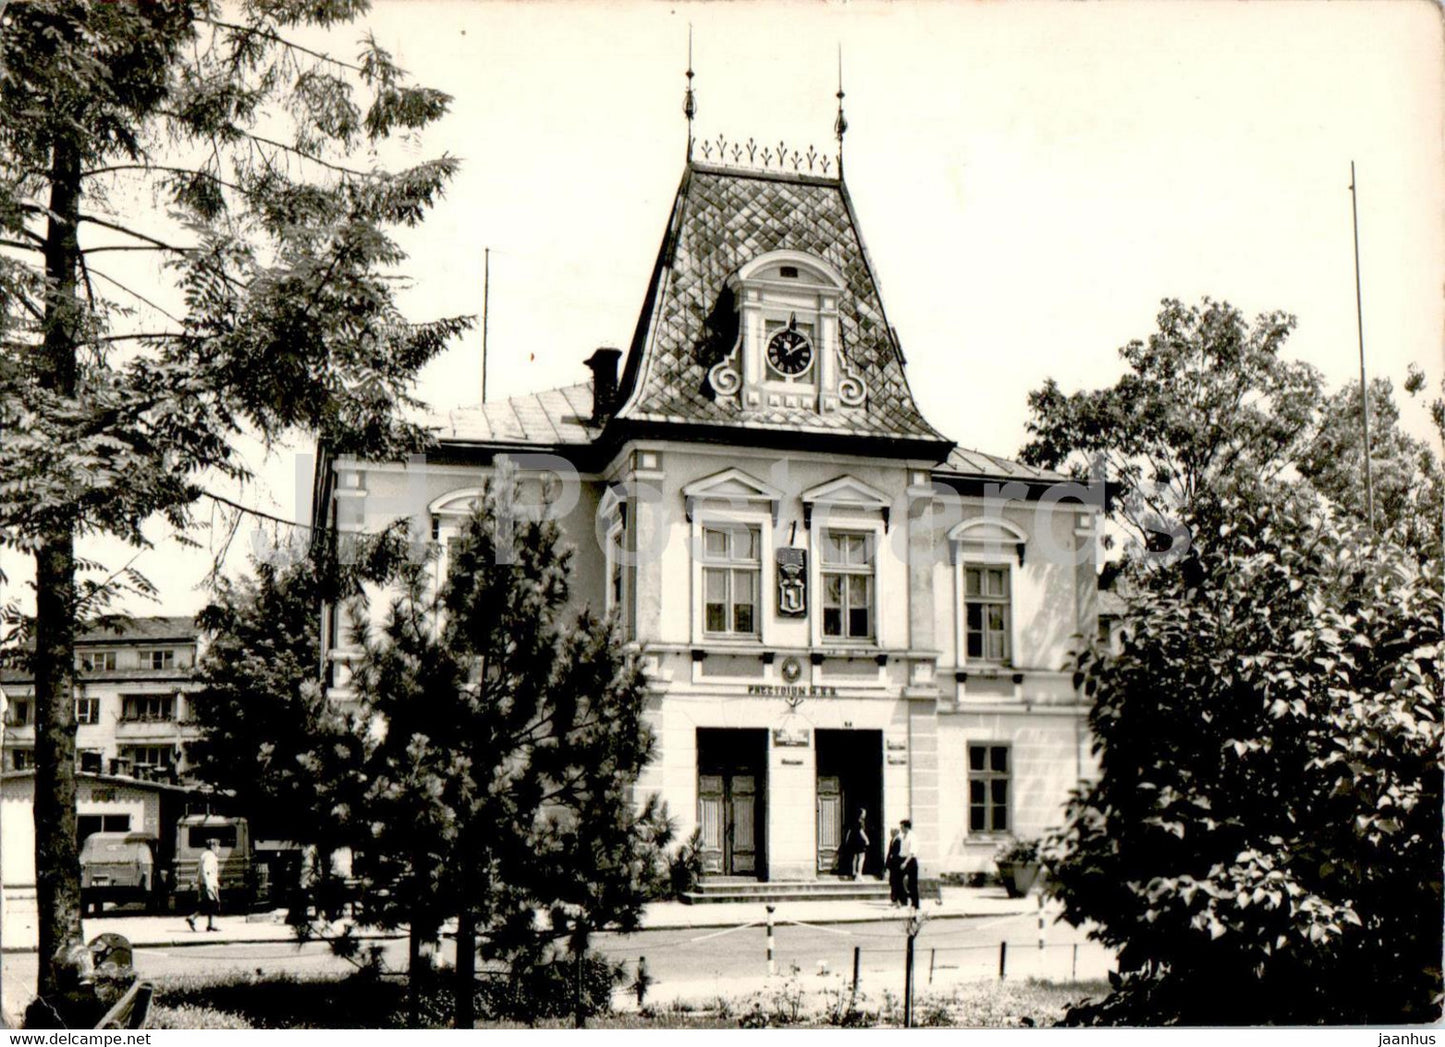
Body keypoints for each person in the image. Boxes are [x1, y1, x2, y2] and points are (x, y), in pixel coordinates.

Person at [186, 839, 221, 932]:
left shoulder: (204, 855)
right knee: (209, 904)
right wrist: (209, 886)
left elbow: (198, 869)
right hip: (209, 884)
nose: (219, 848)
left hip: (204, 883)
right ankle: (192, 917)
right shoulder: (210, 856)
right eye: (217, 846)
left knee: (210, 904)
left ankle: (210, 925)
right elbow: (206, 871)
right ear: (213, 847)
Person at [897, 819, 920, 909]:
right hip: (903, 859)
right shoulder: (903, 836)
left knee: (912, 884)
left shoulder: (912, 836)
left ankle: (915, 904)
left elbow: (912, 852)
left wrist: (905, 863)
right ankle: (904, 901)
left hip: (910, 861)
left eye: (902, 827)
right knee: (898, 880)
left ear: (906, 827)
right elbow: (902, 851)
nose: (901, 829)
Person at [843, 808, 869, 880]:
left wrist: (847, 840)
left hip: (853, 841)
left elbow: (849, 831)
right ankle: (859, 874)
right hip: (859, 841)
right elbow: (861, 832)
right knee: (862, 858)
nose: (865, 814)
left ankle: (853, 872)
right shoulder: (860, 822)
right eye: (864, 813)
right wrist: (867, 840)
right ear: (860, 814)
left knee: (854, 858)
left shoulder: (853, 821)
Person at [885, 827, 904, 906]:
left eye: (892, 831)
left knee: (896, 883)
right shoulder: (892, 840)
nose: (890, 833)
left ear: (896, 832)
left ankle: (898, 900)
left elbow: (897, 852)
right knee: (892, 882)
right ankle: (894, 899)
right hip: (892, 865)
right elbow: (890, 853)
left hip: (896, 865)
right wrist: (887, 863)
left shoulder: (898, 840)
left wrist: (893, 857)